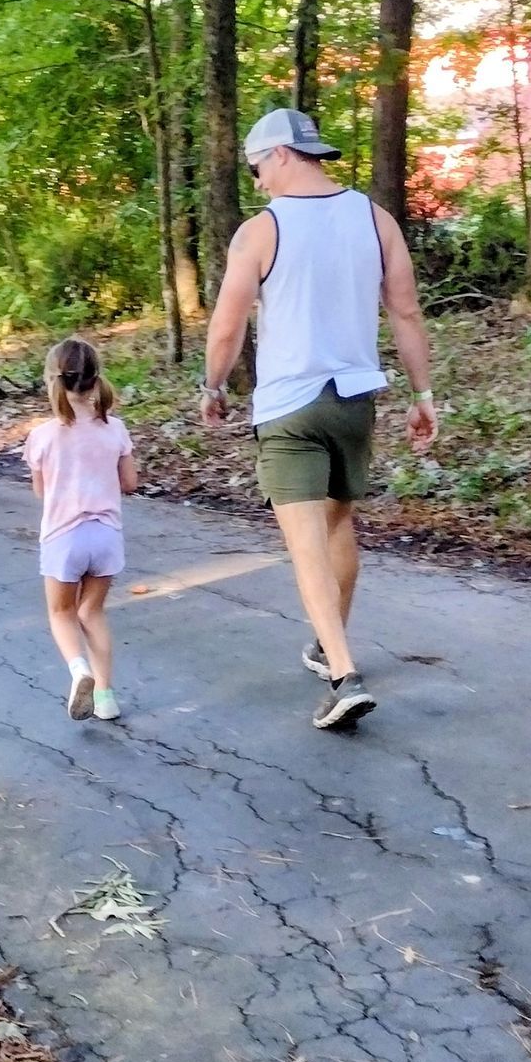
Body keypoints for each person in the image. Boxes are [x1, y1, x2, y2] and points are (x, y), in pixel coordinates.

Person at [201, 106, 437, 732]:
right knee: (338, 526)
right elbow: (407, 313)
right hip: (355, 399)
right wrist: (424, 395)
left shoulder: (261, 230)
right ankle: (327, 647)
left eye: (256, 168)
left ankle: (344, 676)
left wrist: (214, 385)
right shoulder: (375, 217)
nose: (256, 182)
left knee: (305, 543)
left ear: (280, 155)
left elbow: (228, 325)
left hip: (289, 406)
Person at [23, 336, 138, 722]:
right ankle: (106, 698)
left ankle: (79, 670)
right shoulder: (115, 429)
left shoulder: (41, 436)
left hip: (63, 536)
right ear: (95, 378)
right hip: (106, 536)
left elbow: (41, 490)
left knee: (61, 613)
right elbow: (130, 482)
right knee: (93, 612)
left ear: (52, 379)